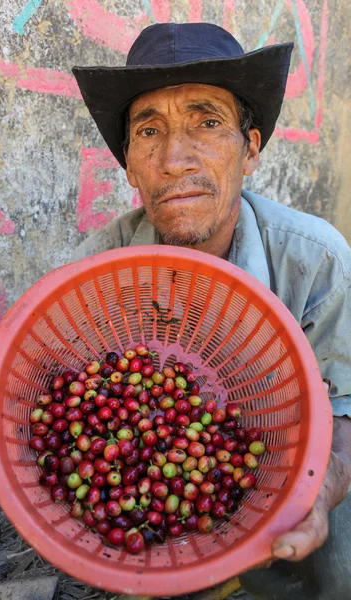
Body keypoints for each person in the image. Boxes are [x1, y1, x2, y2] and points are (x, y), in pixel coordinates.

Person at [72, 23, 351, 600]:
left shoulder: (315, 261)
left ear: (249, 150)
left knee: (344, 553)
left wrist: (318, 493)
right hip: (170, 511)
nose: (175, 159)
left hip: (287, 479)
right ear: (129, 165)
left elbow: (346, 410)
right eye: (150, 131)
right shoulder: (93, 274)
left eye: (207, 122)